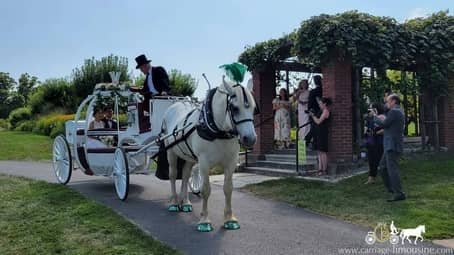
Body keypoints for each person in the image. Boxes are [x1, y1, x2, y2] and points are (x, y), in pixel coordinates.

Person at [372, 94, 406, 202]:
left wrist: (374, 116)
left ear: (394, 101)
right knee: (382, 167)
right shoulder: (397, 111)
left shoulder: (395, 112)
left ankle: (398, 193)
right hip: (390, 145)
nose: (386, 104)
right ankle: (393, 189)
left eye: (388, 101)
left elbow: (384, 124)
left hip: (392, 145)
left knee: (392, 170)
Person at [309, 97, 332, 176]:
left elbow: (318, 121)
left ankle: (324, 170)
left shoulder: (326, 111)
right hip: (318, 133)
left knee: (323, 152)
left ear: (324, 104)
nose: (319, 105)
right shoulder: (321, 111)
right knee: (319, 152)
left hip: (323, 133)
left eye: (320, 103)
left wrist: (312, 116)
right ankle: (320, 169)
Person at [364, 102, 385, 184]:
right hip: (371, 142)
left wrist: (377, 133)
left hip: (379, 142)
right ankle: (371, 178)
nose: (370, 110)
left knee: (379, 161)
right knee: (371, 160)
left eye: (372, 108)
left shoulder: (382, 117)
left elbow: (385, 129)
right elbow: (368, 128)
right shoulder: (370, 118)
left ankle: (387, 177)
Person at [306, 75, 323, 147]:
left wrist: (309, 111)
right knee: (316, 128)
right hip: (321, 111)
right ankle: (313, 143)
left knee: (314, 127)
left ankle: (307, 141)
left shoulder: (313, 91)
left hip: (314, 111)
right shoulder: (324, 90)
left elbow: (310, 103)